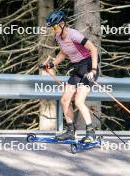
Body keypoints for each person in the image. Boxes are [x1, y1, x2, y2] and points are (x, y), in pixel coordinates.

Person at [40, 11, 100, 143]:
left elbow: (93, 49)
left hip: (89, 66)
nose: (53, 30)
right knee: (65, 100)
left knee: (78, 100)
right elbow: (63, 52)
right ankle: (70, 131)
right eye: (52, 28)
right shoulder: (59, 37)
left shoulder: (74, 34)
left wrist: (94, 71)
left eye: (55, 27)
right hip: (78, 68)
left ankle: (91, 133)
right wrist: (52, 64)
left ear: (62, 24)